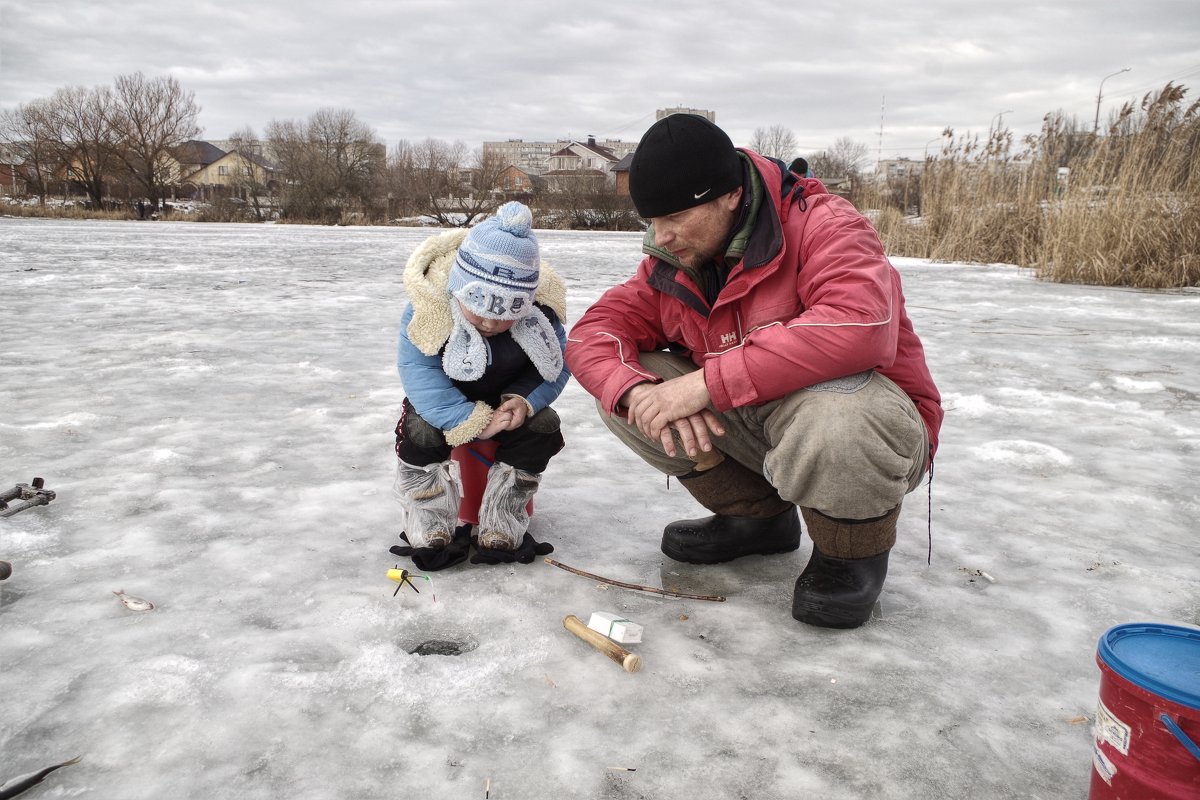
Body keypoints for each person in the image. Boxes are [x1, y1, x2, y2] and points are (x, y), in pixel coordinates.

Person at [564, 115, 942, 628]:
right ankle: (756, 520)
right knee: (633, 387)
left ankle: (849, 554)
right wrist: (634, 391)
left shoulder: (826, 225)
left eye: (674, 214)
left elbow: (861, 323)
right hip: (763, 424)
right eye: (650, 220)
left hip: (872, 427)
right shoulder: (672, 262)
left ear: (729, 196)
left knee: (841, 414)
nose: (662, 235)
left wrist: (703, 384)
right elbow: (593, 333)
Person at [390, 201, 569, 570]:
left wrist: (523, 400)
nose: (490, 323)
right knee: (421, 431)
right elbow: (418, 370)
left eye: (505, 316)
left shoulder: (540, 318)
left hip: (504, 399)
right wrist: (466, 419)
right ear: (458, 290)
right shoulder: (429, 310)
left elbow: (555, 365)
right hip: (443, 401)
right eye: (480, 310)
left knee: (543, 427)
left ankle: (502, 521)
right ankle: (431, 521)